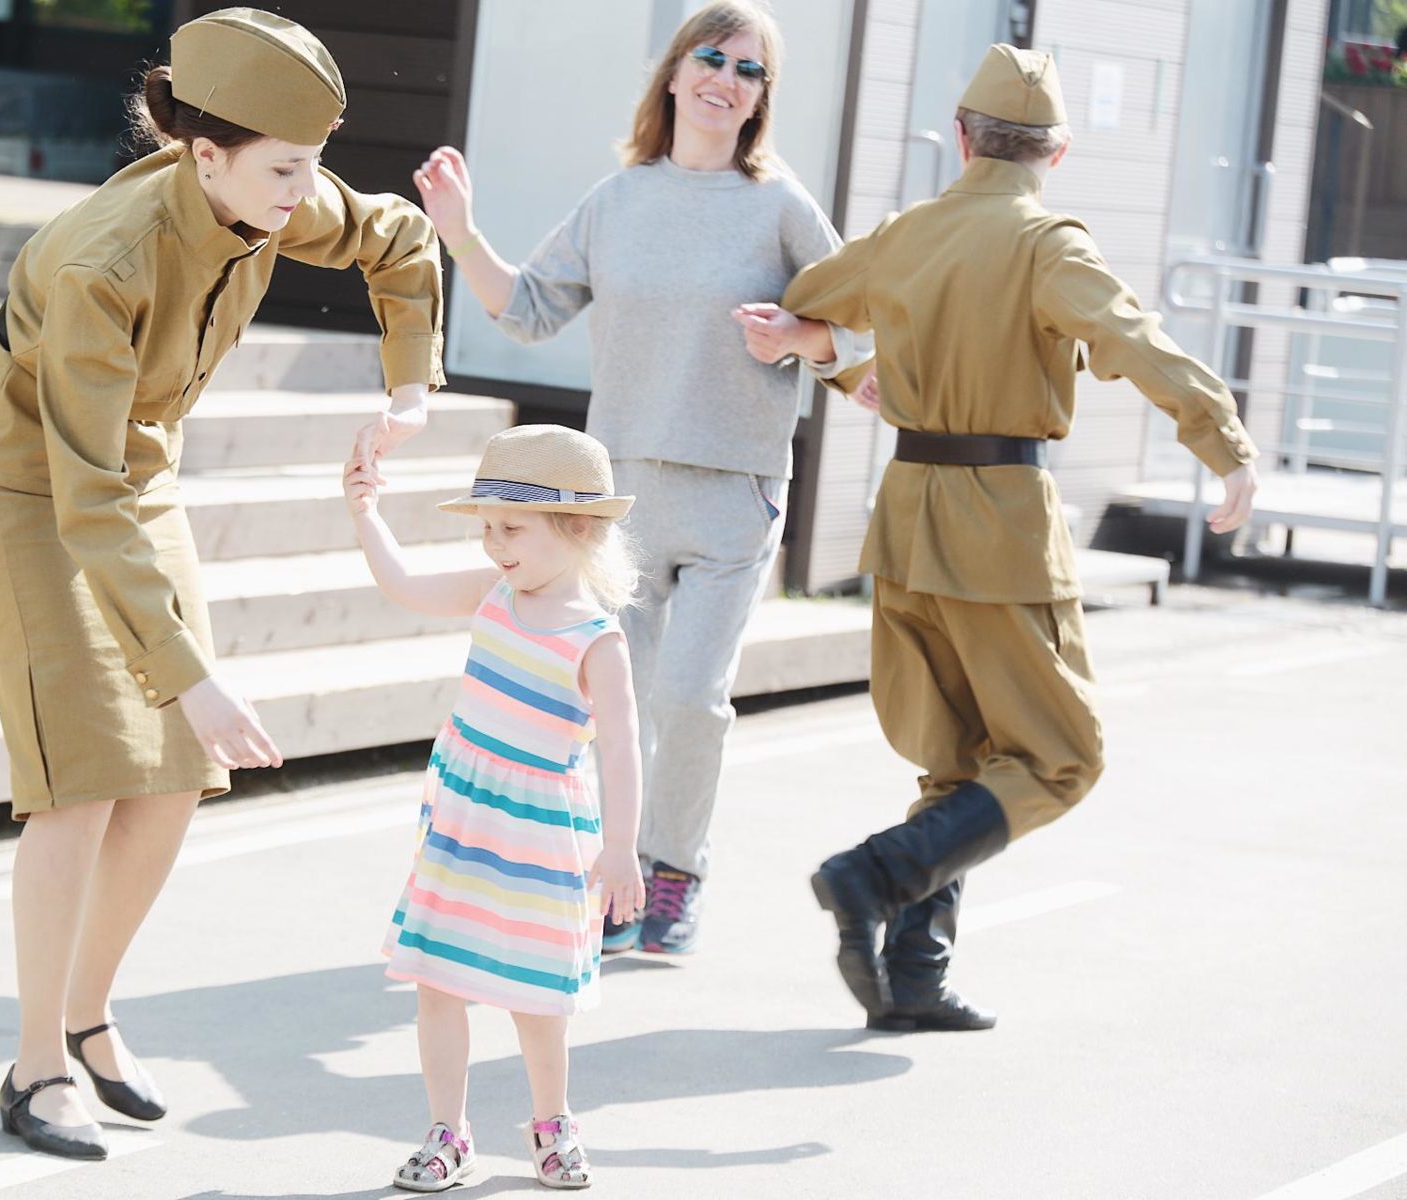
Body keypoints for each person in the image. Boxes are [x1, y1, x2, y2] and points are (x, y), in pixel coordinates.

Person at [0, 8, 446, 1158]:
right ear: (199, 155)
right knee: (82, 772)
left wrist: (407, 394)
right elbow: (84, 494)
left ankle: (88, 1013)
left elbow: (401, 239)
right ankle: (32, 1069)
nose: (304, 189)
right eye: (284, 168)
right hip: (34, 475)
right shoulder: (104, 261)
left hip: (137, 462)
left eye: (312, 164)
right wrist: (190, 675)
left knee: (174, 773)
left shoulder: (272, 185)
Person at [751, 44, 1260, 1033]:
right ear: (1056, 153)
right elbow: (1135, 340)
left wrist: (847, 371)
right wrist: (1224, 445)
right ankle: (874, 876)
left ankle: (912, 982)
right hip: (1000, 526)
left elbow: (803, 304)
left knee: (958, 763)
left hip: (904, 517)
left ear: (961, 137)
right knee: (1063, 756)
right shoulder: (1044, 243)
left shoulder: (908, 234)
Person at [413, 0, 870, 957]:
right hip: (614, 502)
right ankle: (608, 876)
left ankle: (675, 874)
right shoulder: (618, 200)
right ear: (673, 73)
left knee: (688, 699)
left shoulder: (781, 206)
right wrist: (459, 232)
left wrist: (798, 335)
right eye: (712, 57)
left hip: (734, 491)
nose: (726, 79)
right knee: (612, 701)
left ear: (760, 100)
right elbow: (529, 310)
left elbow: (861, 329)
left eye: (750, 70)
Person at [344, 425, 644, 1191]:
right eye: (486, 528)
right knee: (439, 980)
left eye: (511, 528)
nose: (492, 544)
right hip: (465, 822)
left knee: (538, 997)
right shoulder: (494, 596)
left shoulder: (597, 640)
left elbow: (620, 751)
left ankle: (552, 1124)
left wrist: (622, 848)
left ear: (577, 528)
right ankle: (448, 1131)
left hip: (544, 835)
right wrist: (365, 513)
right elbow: (404, 585)